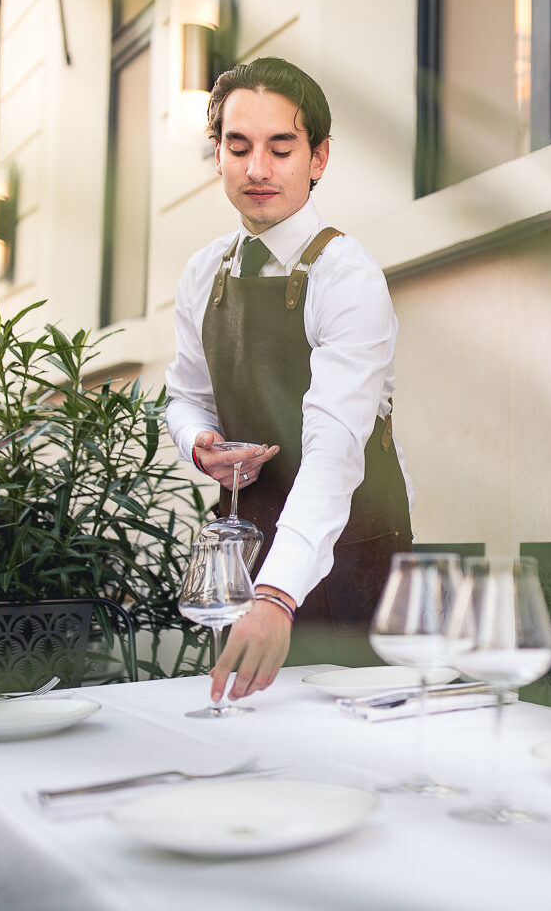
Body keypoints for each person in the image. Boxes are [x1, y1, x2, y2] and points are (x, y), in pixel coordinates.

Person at [164, 56, 412, 706]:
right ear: (216, 154)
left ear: (318, 158)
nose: (258, 169)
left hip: (355, 556)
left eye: (281, 147)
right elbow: (185, 393)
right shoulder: (202, 274)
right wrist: (199, 443)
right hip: (246, 549)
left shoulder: (347, 278)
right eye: (238, 147)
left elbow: (333, 452)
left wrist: (276, 594)